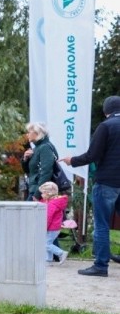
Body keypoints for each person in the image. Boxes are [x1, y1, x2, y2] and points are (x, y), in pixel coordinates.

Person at [59, 95, 120, 277]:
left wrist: (72, 161)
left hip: (107, 182)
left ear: (106, 111)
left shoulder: (106, 126)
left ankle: (101, 266)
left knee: (102, 225)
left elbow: (92, 155)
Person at [22, 122, 57, 201]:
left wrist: (38, 193)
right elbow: (28, 171)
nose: (27, 135)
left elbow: (46, 171)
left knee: (27, 213)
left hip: (41, 192)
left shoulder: (45, 147)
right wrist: (25, 159)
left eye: (29, 132)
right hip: (36, 189)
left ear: (37, 133)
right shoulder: (37, 148)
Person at [38, 181, 69, 265]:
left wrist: (43, 227)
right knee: (48, 243)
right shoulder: (53, 202)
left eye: (43, 193)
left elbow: (47, 217)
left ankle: (61, 253)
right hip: (55, 228)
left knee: (45, 244)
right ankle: (48, 260)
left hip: (52, 228)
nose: (41, 195)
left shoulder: (52, 204)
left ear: (48, 193)